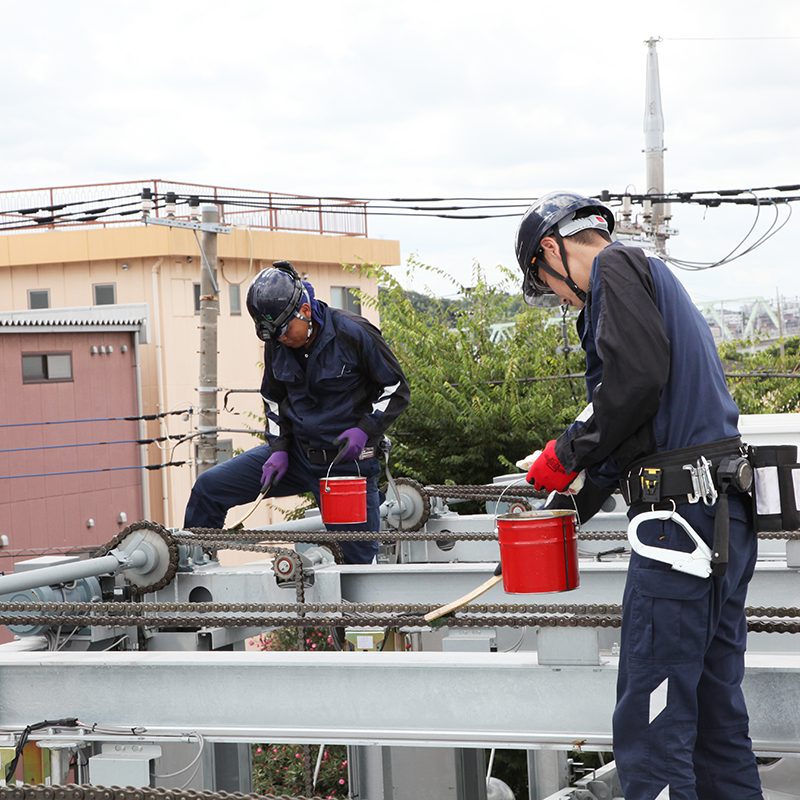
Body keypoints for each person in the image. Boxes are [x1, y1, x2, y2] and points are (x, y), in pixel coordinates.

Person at [516, 192, 762, 800]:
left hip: (679, 526)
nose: (566, 300)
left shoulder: (612, 268)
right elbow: (636, 426)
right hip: (721, 511)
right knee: (712, 717)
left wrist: (563, 453)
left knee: (653, 726)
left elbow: (633, 385)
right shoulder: (654, 279)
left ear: (552, 248)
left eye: (554, 288)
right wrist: (570, 509)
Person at [183, 260, 410, 565]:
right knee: (209, 488)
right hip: (296, 457)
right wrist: (278, 449)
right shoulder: (279, 340)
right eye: (272, 335)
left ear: (304, 310)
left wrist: (365, 429)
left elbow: (395, 388)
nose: (280, 340)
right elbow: (274, 400)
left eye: (284, 331)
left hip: (346, 468)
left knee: (355, 566)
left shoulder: (353, 333)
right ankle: (194, 571)